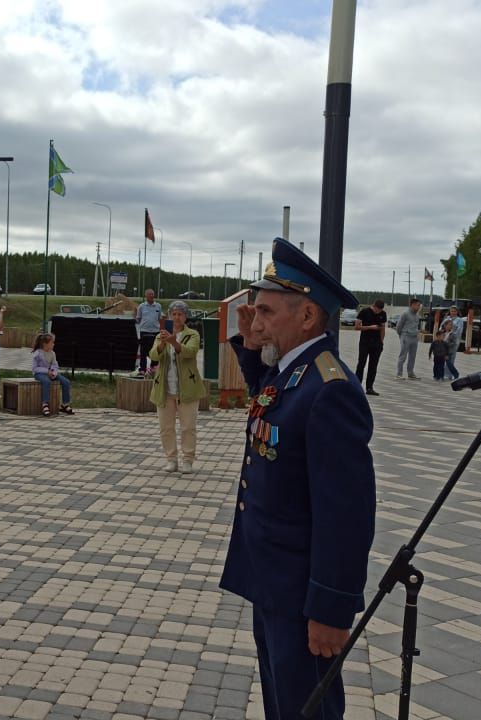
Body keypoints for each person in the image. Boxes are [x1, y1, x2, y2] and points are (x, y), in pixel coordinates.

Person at [224, 237, 376, 720]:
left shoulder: (330, 391)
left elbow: (346, 514)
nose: (256, 319)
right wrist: (252, 346)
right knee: (282, 703)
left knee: (307, 708)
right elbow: (273, 403)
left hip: (302, 594)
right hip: (274, 581)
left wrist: (331, 610)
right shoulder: (291, 372)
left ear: (307, 317)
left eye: (266, 311)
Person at [150, 300, 206, 473]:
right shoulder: (161, 335)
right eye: (174, 314)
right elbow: (153, 355)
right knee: (166, 427)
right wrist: (162, 344)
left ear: (185, 316)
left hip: (187, 389)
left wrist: (175, 343)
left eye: (180, 314)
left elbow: (190, 352)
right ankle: (171, 459)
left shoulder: (193, 334)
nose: (176, 317)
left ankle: (188, 460)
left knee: (188, 427)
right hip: (165, 389)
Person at [30, 332, 73, 416]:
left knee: (66, 382)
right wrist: (47, 371)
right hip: (39, 374)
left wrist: (53, 373)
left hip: (50, 373)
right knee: (47, 382)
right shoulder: (37, 353)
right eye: (52, 342)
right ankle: (45, 405)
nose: (54, 344)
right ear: (45, 344)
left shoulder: (52, 353)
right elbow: (35, 368)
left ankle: (65, 404)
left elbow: (55, 365)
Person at [354, 298, 388, 395]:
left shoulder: (383, 314)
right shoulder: (364, 312)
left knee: (373, 366)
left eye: (380, 310)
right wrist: (370, 327)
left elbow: (382, 328)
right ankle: (357, 386)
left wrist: (381, 342)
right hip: (365, 342)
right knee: (361, 364)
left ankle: (369, 388)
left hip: (377, 343)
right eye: (377, 309)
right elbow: (356, 327)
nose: (378, 312)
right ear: (374, 306)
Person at [134, 288, 162, 375]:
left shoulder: (158, 306)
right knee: (143, 351)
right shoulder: (141, 306)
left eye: (152, 294)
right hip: (144, 331)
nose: (151, 296)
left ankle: (154, 368)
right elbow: (138, 319)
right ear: (146, 295)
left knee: (155, 350)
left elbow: (159, 318)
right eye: (149, 294)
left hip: (155, 332)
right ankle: (143, 369)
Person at [395, 297, 424, 379]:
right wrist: (401, 335)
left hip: (414, 338)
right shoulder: (405, 314)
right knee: (403, 356)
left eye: (419, 306)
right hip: (406, 336)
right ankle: (399, 374)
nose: (419, 307)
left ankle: (410, 373)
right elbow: (399, 326)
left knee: (412, 356)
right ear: (412, 305)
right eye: (418, 305)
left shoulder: (417, 316)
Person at [444, 306, 463, 380]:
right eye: (452, 311)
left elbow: (459, 330)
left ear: (457, 312)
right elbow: (441, 327)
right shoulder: (447, 318)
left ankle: (450, 374)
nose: (453, 312)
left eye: (455, 311)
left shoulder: (459, 320)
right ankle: (444, 373)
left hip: (453, 341)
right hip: (445, 340)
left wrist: (452, 334)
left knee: (451, 358)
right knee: (444, 357)